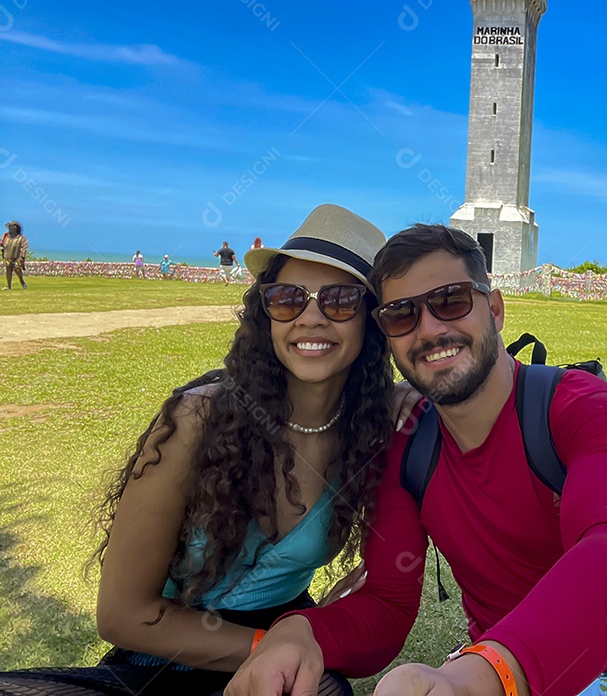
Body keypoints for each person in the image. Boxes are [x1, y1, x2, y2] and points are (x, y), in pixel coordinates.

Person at [225, 225, 607, 696]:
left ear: (496, 308)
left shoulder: (590, 411)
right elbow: (388, 603)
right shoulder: (409, 449)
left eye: (452, 301)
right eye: (401, 315)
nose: (431, 329)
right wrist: (298, 632)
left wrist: (481, 674)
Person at [0, 205, 394, 696]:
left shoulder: (374, 432)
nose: (310, 317)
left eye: (339, 300)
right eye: (288, 298)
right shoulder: (197, 420)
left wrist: (322, 626)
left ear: (372, 323)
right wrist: (272, 648)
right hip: (158, 663)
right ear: (265, 312)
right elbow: (123, 615)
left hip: (286, 659)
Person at [3, 221, 29, 290]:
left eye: (13, 226)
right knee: (8, 270)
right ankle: (9, 286)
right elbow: (3, 245)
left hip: (18, 256)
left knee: (17, 269)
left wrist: (22, 257)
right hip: (8, 255)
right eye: (10, 226)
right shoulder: (6, 236)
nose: (11, 228)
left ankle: (22, 282)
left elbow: (24, 247)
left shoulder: (21, 237)